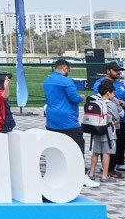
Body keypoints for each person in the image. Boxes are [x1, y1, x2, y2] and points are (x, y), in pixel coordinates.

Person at [42, 59, 98, 188]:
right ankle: (81, 176)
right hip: (67, 120)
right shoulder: (67, 81)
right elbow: (74, 98)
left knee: (56, 147)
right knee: (78, 147)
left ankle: (59, 173)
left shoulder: (47, 81)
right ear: (65, 69)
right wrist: (82, 97)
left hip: (51, 119)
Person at [93, 62, 125, 177]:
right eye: (116, 70)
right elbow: (101, 96)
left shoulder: (120, 84)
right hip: (108, 121)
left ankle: (118, 164)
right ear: (108, 71)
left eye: (119, 70)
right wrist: (118, 102)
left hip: (122, 119)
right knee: (108, 146)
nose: (119, 72)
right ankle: (108, 169)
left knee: (120, 144)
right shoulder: (100, 83)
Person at [86, 80, 122, 182]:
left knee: (95, 152)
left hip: (96, 130)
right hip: (108, 131)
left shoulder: (95, 102)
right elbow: (116, 117)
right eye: (113, 93)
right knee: (106, 153)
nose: (113, 95)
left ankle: (92, 173)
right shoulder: (111, 105)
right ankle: (104, 175)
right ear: (108, 93)